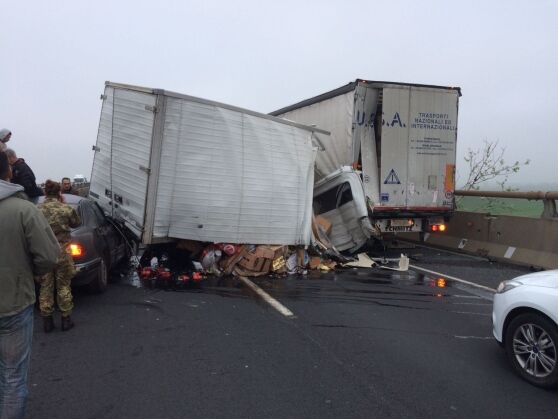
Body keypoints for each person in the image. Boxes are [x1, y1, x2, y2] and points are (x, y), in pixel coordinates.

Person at [0, 151, 59, 419]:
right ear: (8, 172)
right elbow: (48, 257)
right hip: (12, 303)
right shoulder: (23, 209)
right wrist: (29, 274)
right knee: (12, 376)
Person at [38, 180, 81, 333]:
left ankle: (47, 322)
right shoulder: (65, 209)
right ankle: (65, 319)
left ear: (45, 193)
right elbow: (77, 223)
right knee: (63, 285)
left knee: (46, 286)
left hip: (44, 253)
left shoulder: (37, 210)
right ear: (59, 193)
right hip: (62, 251)